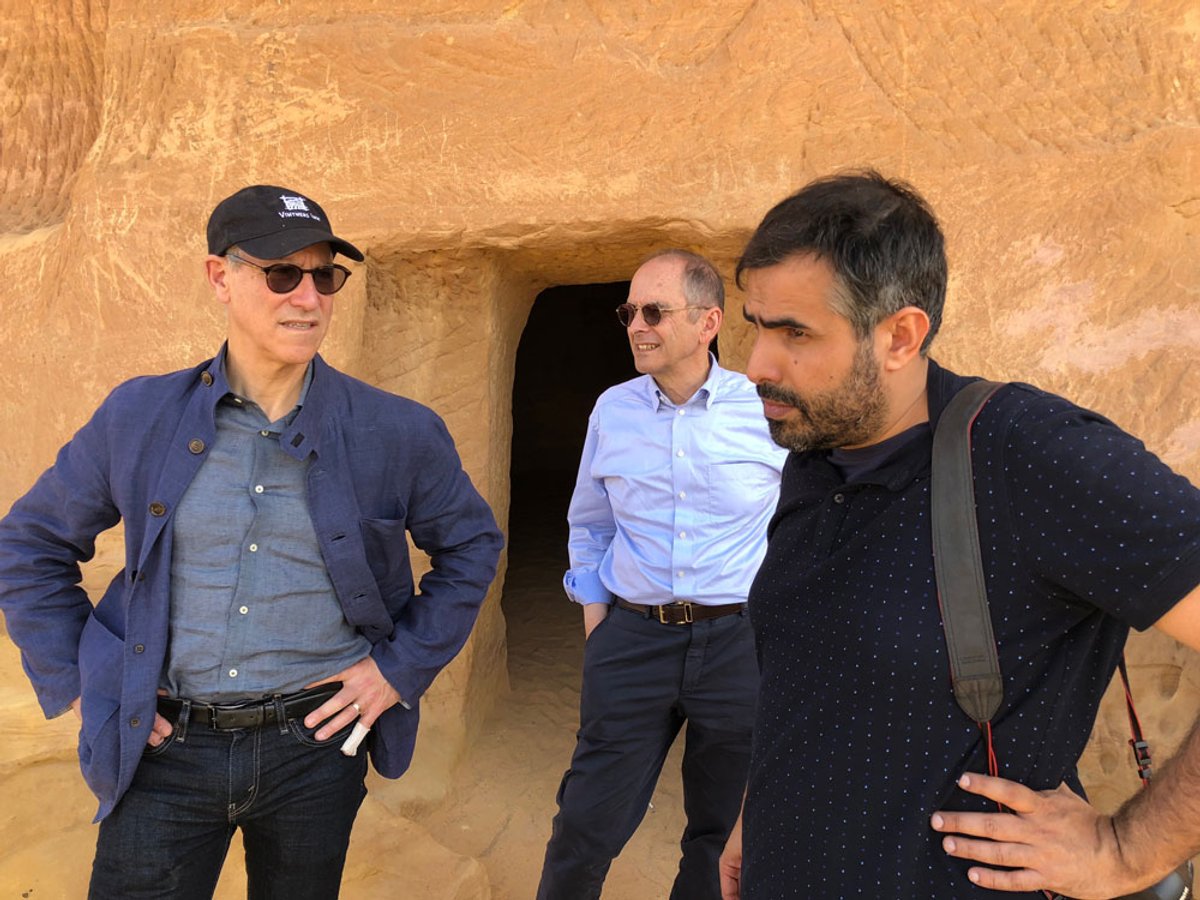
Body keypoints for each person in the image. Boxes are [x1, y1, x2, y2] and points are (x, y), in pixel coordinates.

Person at [0, 184, 504, 899]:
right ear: (219, 278)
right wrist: (87, 684)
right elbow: (28, 544)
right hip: (163, 746)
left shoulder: (397, 431)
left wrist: (397, 670)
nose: (308, 297)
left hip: (316, 749)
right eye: (280, 273)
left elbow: (472, 547)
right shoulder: (140, 416)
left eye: (324, 275)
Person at [717, 170, 1200, 899]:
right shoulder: (818, 449)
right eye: (756, 324)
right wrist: (763, 813)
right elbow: (814, 673)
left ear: (901, 336)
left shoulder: (1029, 455)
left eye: (795, 333)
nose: (756, 364)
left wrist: (1126, 850)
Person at [536, 249, 787, 900]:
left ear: (708, 323)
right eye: (629, 312)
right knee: (584, 825)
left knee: (721, 832)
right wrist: (598, 623)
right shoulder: (613, 412)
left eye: (654, 311)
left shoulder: (765, 410)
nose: (637, 325)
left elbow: (806, 525)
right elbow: (590, 523)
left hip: (738, 645)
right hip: (632, 641)